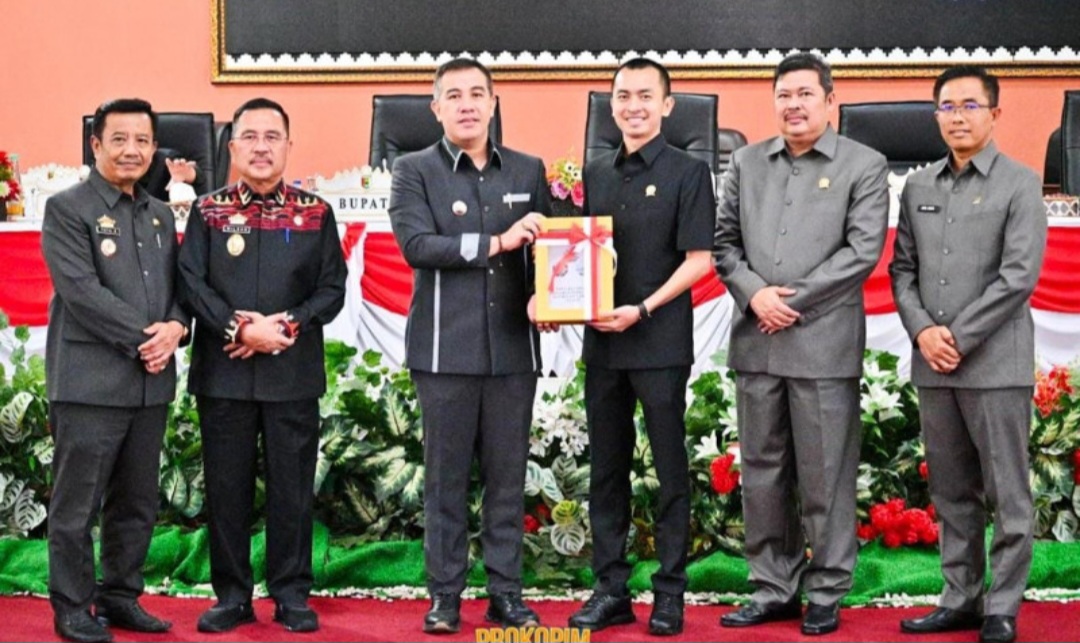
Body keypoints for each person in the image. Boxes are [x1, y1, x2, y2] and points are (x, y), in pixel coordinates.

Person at [713, 52, 889, 636]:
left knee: (824, 473)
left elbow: (861, 252)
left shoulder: (864, 165)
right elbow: (724, 244)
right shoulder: (746, 162)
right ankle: (773, 587)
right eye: (784, 94)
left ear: (829, 100)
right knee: (762, 471)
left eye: (805, 94)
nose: (794, 104)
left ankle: (828, 589)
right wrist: (755, 296)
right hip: (757, 341)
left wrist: (789, 301)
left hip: (823, 343)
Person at [388, 57, 550, 635]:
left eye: (477, 94)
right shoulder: (413, 171)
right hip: (443, 353)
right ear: (436, 108)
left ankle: (506, 594)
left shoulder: (528, 170)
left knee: (507, 481)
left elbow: (550, 248)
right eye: (454, 95)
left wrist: (549, 296)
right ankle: (445, 596)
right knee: (445, 482)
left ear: (493, 102)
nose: (467, 105)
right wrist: (497, 242)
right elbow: (416, 245)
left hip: (512, 352)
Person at [177, 98, 347, 634]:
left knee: (292, 491)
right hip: (223, 371)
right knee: (226, 489)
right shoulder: (208, 211)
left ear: (288, 146)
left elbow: (332, 289)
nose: (261, 147)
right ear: (232, 148)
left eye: (272, 137)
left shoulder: (316, 213)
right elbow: (191, 283)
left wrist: (287, 325)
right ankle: (232, 596)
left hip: (291, 372)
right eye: (249, 136)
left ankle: (291, 594)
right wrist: (238, 328)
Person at [890, 66, 1046, 643]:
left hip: (995, 364)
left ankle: (1002, 606)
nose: (957, 117)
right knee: (952, 491)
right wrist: (923, 332)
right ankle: (960, 598)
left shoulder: (1020, 183)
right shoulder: (918, 186)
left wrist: (955, 336)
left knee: (1007, 492)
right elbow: (902, 270)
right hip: (934, 364)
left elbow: (1018, 277)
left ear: (995, 114)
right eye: (947, 107)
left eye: (970, 106)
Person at [561, 58, 716, 637]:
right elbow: (578, 253)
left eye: (645, 96)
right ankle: (611, 590)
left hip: (659, 343)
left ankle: (670, 592)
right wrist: (560, 299)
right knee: (607, 470)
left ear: (667, 105)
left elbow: (700, 260)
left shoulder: (688, 172)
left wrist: (644, 309)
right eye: (623, 96)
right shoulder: (596, 171)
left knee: (669, 471)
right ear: (612, 105)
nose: (633, 106)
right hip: (603, 345)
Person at [42, 98, 189, 643]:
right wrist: (150, 337)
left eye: (143, 140)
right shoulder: (67, 208)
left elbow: (180, 288)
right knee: (76, 505)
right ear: (96, 145)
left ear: (155, 149)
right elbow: (81, 292)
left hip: (149, 384)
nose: (132, 150)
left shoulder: (160, 214)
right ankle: (72, 606)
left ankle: (121, 595)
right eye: (120, 139)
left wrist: (177, 327)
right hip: (89, 382)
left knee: (136, 502)